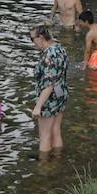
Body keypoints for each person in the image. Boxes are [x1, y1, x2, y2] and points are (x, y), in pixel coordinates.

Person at [29, 24, 69, 153]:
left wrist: (38, 106)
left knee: (44, 136)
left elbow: (48, 84)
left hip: (49, 98)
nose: (33, 43)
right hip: (61, 93)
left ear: (40, 37)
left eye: (32, 39)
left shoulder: (48, 56)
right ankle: (57, 158)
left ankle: (44, 166)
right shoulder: (59, 48)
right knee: (56, 131)